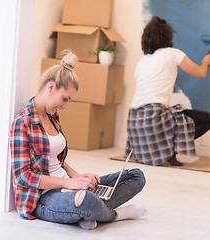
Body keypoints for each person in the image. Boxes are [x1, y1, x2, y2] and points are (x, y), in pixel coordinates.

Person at [10, 50, 146, 230]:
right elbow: (23, 177)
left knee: (136, 176)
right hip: (44, 198)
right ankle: (114, 215)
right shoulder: (22, 123)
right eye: (64, 99)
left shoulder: (52, 116)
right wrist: (68, 183)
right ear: (51, 88)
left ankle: (85, 212)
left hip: (69, 186)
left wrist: (78, 176)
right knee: (87, 199)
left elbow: (57, 159)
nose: (64, 106)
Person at [125, 16, 210, 166]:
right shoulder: (172, 53)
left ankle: (165, 152)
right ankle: (170, 151)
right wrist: (206, 62)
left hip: (135, 123)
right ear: (167, 36)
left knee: (175, 114)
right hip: (153, 118)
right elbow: (201, 73)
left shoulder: (143, 61)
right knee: (207, 119)